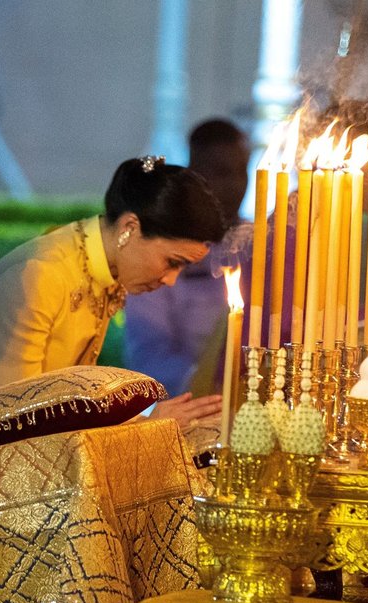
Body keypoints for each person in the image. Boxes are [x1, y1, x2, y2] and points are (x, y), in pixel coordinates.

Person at [0, 156, 228, 426]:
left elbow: (64, 401)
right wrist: (148, 426)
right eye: (172, 262)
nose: (170, 280)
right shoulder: (42, 274)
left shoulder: (97, 268)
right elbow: (21, 416)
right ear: (130, 227)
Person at [124, 119, 296, 397]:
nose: (233, 185)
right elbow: (148, 353)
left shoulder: (264, 246)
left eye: (239, 171)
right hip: (191, 403)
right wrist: (209, 384)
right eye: (220, 172)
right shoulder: (158, 250)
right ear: (194, 174)